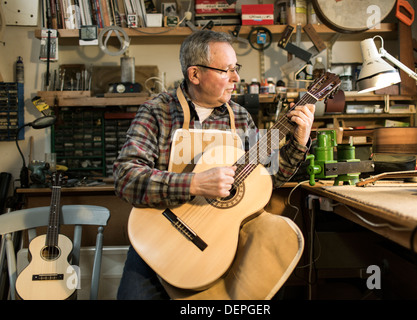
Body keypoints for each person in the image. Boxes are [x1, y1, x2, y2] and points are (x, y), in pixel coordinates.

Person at [113, 30, 315, 300]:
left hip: (214, 244)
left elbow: (266, 179)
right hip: (157, 238)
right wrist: (195, 183)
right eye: (226, 70)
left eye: (236, 68)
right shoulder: (157, 111)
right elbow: (125, 177)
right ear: (194, 74)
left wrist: (298, 142)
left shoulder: (240, 117)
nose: (236, 78)